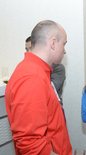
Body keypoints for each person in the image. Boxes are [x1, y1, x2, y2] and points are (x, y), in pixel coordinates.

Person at [5, 20, 72, 155]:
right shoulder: (32, 77)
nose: (64, 51)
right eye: (63, 44)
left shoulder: (39, 72)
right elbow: (31, 145)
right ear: (53, 43)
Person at [24, 36, 66, 106]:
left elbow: (48, 89)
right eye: (26, 49)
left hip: (53, 107)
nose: (29, 52)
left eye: (31, 48)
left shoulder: (58, 67)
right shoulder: (27, 66)